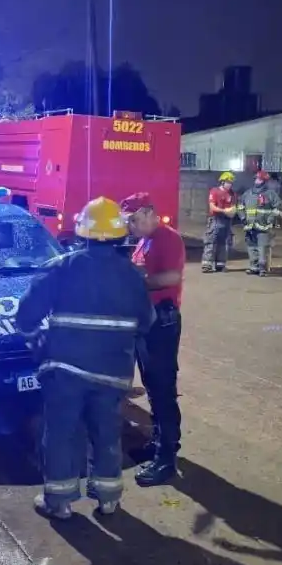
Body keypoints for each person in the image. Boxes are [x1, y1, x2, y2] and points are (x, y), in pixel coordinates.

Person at [16, 196, 153, 520]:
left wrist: (33, 337)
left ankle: (60, 503)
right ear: (121, 233)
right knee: (106, 433)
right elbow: (146, 323)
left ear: (82, 232)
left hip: (64, 371)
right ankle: (108, 499)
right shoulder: (132, 276)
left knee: (61, 434)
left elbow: (27, 314)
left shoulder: (61, 268)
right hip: (112, 373)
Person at [121, 192, 186, 486]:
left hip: (162, 320)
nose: (131, 226)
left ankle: (166, 458)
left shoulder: (166, 238)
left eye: (134, 219)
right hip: (148, 320)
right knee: (152, 387)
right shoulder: (145, 240)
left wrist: (137, 280)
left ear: (149, 212)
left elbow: (171, 278)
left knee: (162, 390)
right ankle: (158, 444)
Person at [240, 170, 282, 276]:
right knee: (251, 247)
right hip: (250, 225)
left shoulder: (271, 194)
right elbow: (240, 207)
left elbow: (278, 208)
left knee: (263, 247)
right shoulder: (247, 193)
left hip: (264, 226)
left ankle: (262, 268)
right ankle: (253, 267)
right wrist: (243, 218)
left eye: (259, 179)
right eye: (256, 179)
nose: (257, 181)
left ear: (264, 181)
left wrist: (270, 219)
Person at [202, 172, 237, 273]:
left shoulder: (232, 194)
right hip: (215, 219)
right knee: (211, 242)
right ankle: (207, 265)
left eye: (231, 183)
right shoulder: (214, 191)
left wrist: (232, 212)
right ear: (222, 182)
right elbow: (212, 206)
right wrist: (224, 211)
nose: (230, 184)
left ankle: (220, 265)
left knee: (224, 243)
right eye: (228, 182)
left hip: (227, 221)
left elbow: (233, 207)